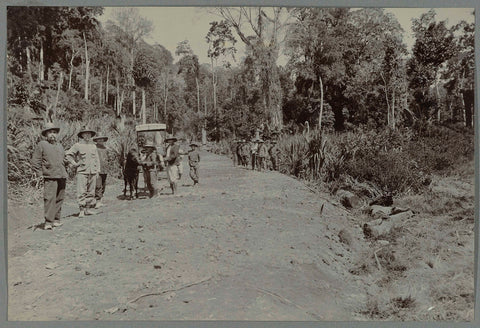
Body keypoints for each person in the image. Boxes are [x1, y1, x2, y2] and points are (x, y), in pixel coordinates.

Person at [32, 122, 69, 230]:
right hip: (50, 176)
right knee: (49, 199)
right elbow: (35, 161)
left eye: (54, 132)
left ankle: (56, 220)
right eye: (50, 132)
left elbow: (63, 159)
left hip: (62, 175)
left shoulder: (60, 146)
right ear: (46, 134)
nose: (52, 134)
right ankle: (48, 222)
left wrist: (66, 162)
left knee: (59, 198)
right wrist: (40, 174)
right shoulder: (42, 145)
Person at [65, 126, 100, 218]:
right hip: (82, 172)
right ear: (82, 135)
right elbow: (68, 155)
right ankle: (81, 210)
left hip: (92, 171)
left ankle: (88, 209)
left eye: (89, 134)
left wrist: (97, 171)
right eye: (85, 134)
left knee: (91, 191)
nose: (87, 135)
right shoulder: (78, 145)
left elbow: (97, 159)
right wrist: (75, 163)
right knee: (81, 191)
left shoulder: (93, 146)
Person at [93, 135, 109, 208]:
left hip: (104, 169)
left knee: (103, 184)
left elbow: (107, 158)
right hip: (97, 169)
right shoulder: (94, 148)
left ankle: (101, 200)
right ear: (96, 141)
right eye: (99, 140)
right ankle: (97, 201)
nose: (100, 141)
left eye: (102, 140)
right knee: (98, 185)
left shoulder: (105, 148)